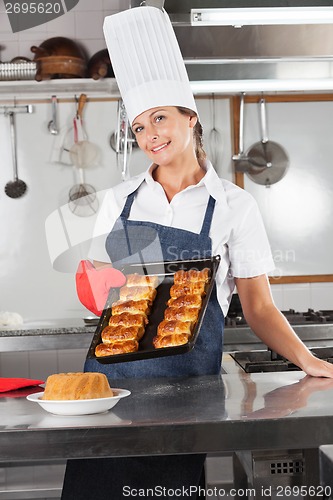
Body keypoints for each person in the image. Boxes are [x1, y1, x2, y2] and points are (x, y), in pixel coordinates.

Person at [62, 5, 333, 500]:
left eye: (160, 118)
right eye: (139, 127)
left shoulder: (234, 205)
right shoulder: (117, 201)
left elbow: (258, 306)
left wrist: (307, 358)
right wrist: (93, 284)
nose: (150, 136)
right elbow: (101, 289)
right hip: (110, 383)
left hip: (186, 390)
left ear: (191, 117)